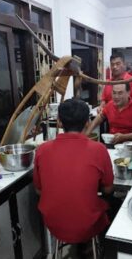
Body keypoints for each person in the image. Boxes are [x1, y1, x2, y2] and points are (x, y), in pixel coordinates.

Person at [33, 99, 114, 245]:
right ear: (88, 123)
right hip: (88, 225)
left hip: (54, 224)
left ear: (59, 122)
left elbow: (39, 191)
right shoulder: (99, 149)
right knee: (111, 203)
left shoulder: (42, 150)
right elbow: (108, 188)